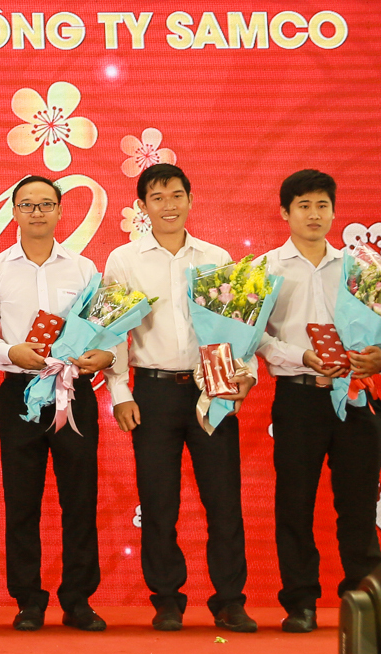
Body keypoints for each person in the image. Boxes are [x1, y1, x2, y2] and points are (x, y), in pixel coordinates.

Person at [104, 163, 257, 632]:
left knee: (224, 500)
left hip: (212, 386)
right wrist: (120, 391)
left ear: (191, 199)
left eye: (176, 195)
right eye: (157, 197)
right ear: (142, 206)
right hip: (152, 391)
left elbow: (238, 323)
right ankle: (166, 599)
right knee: (158, 501)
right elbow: (112, 330)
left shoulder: (216, 256)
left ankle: (229, 600)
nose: (168, 205)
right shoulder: (124, 260)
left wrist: (245, 373)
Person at [257, 169, 381, 634]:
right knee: (294, 504)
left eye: (322, 205)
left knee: (358, 506)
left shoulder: (359, 269)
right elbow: (256, 338)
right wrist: (301, 356)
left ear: (334, 212)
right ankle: (300, 603)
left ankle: (363, 603)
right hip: (299, 399)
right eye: (304, 206)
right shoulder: (267, 269)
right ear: (285, 212)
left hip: (356, 398)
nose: (314, 215)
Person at [0, 174, 110, 632]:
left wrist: (105, 355)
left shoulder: (84, 268)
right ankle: (28, 601)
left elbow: (105, 327)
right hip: (20, 393)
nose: (36, 212)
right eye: (27, 204)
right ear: (14, 211)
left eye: (45, 204)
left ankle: (78, 599)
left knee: (80, 498)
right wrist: (8, 352)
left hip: (73, 390)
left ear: (59, 210)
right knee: (22, 500)